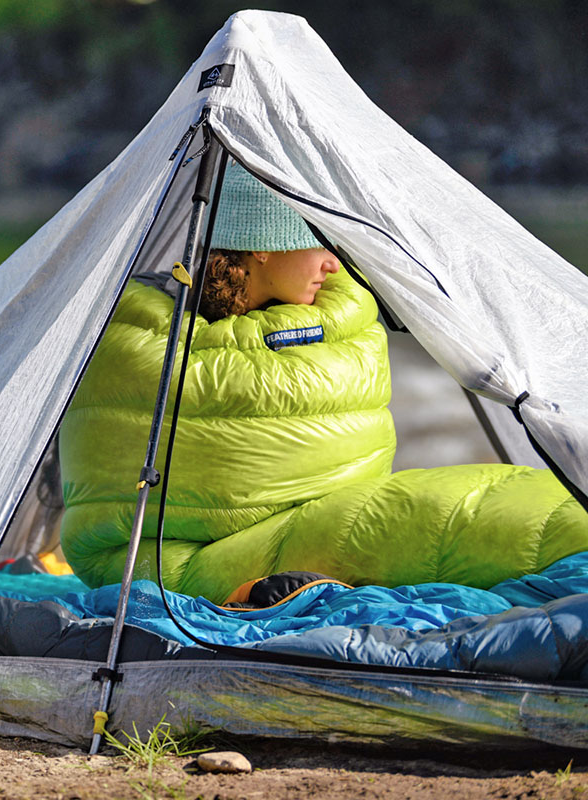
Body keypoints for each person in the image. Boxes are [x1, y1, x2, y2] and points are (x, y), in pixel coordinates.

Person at [58, 164, 588, 603]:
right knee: (449, 519)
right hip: (167, 558)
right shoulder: (145, 341)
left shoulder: (331, 319)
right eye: (316, 243)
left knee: (496, 501)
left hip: (324, 514)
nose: (333, 265)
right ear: (261, 247)